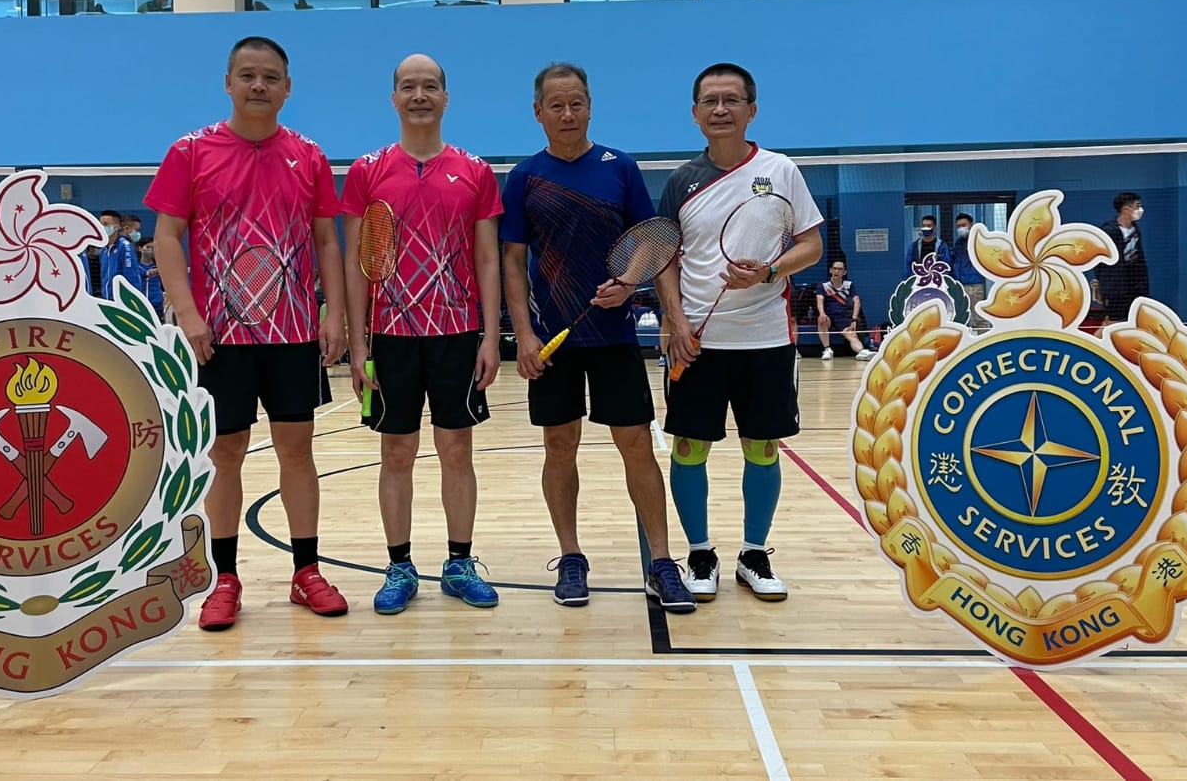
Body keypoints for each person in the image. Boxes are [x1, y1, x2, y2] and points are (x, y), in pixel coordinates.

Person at [144, 35, 350, 630]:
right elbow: (167, 237)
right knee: (225, 452)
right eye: (248, 75)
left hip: (293, 335)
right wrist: (188, 315)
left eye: (270, 77)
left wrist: (333, 313)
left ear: (287, 88)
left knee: (297, 449)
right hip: (219, 338)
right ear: (229, 83)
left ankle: (306, 572)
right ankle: (224, 579)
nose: (259, 85)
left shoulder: (309, 155)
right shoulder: (190, 151)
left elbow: (326, 241)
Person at [499, 62, 695, 614]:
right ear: (538, 112)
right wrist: (525, 334)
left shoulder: (620, 167)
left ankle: (662, 561)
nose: (568, 114)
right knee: (559, 447)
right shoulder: (525, 177)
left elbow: (651, 242)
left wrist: (629, 282)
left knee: (636, 445)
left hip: (614, 337)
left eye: (577, 103)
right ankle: (571, 557)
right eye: (556, 105)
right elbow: (512, 262)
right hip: (553, 340)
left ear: (590, 107)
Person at [340, 53, 503, 616]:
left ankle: (459, 564)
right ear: (394, 98)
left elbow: (487, 258)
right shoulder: (367, 171)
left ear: (445, 98)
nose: (419, 96)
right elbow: (356, 262)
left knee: (457, 449)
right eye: (408, 86)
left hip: (457, 332)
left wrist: (490, 336)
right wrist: (357, 344)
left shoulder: (475, 171)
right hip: (390, 335)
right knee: (397, 451)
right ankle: (399, 567)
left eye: (430, 86)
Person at [658, 62, 824, 603]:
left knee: (763, 447)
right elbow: (665, 261)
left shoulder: (781, 171)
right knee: (689, 448)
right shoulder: (681, 182)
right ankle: (700, 554)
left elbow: (811, 245)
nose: (721, 109)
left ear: (752, 110)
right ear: (695, 113)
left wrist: (770, 271)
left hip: (766, 339)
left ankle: (754, 554)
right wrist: (676, 322)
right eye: (710, 101)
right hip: (699, 344)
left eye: (732, 100)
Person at [1095, 192, 1148, 325]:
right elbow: (1100, 260)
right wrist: (1107, 284)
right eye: (1137, 206)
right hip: (1116, 287)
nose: (1140, 209)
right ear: (1126, 209)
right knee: (1113, 321)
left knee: (1134, 320)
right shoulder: (1109, 231)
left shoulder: (1135, 230)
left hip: (1134, 286)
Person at [816, 260, 873, 361]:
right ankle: (827, 350)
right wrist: (822, 313)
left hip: (842, 317)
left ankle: (862, 352)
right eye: (835, 269)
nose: (837, 271)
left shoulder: (849, 285)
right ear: (830, 270)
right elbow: (820, 300)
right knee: (821, 321)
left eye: (840, 269)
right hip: (829, 317)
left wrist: (854, 319)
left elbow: (856, 301)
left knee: (852, 335)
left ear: (844, 272)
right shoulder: (824, 285)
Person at [97, 209, 143, 300]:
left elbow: (131, 276)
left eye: (105, 224)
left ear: (117, 227)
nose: (102, 228)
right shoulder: (103, 249)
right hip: (106, 298)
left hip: (122, 300)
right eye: (100, 225)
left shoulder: (125, 246)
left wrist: (133, 299)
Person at [951, 213, 986, 331]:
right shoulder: (958, 243)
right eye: (958, 226)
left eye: (963, 225)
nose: (961, 228)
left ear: (971, 224)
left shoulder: (978, 241)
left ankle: (983, 339)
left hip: (975, 283)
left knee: (979, 317)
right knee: (961, 318)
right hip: (960, 284)